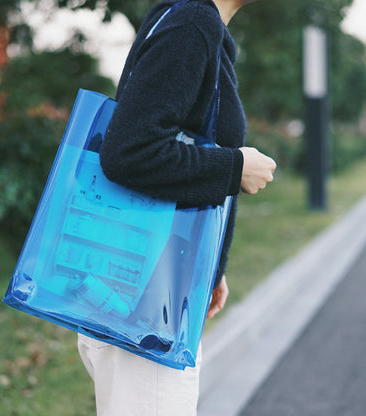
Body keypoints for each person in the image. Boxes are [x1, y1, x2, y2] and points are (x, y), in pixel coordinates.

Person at [77, 0, 277, 415]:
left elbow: (181, 140)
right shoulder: (192, 23)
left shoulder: (198, 25)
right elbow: (130, 152)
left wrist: (211, 267)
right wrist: (235, 167)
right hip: (145, 305)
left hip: (159, 289)